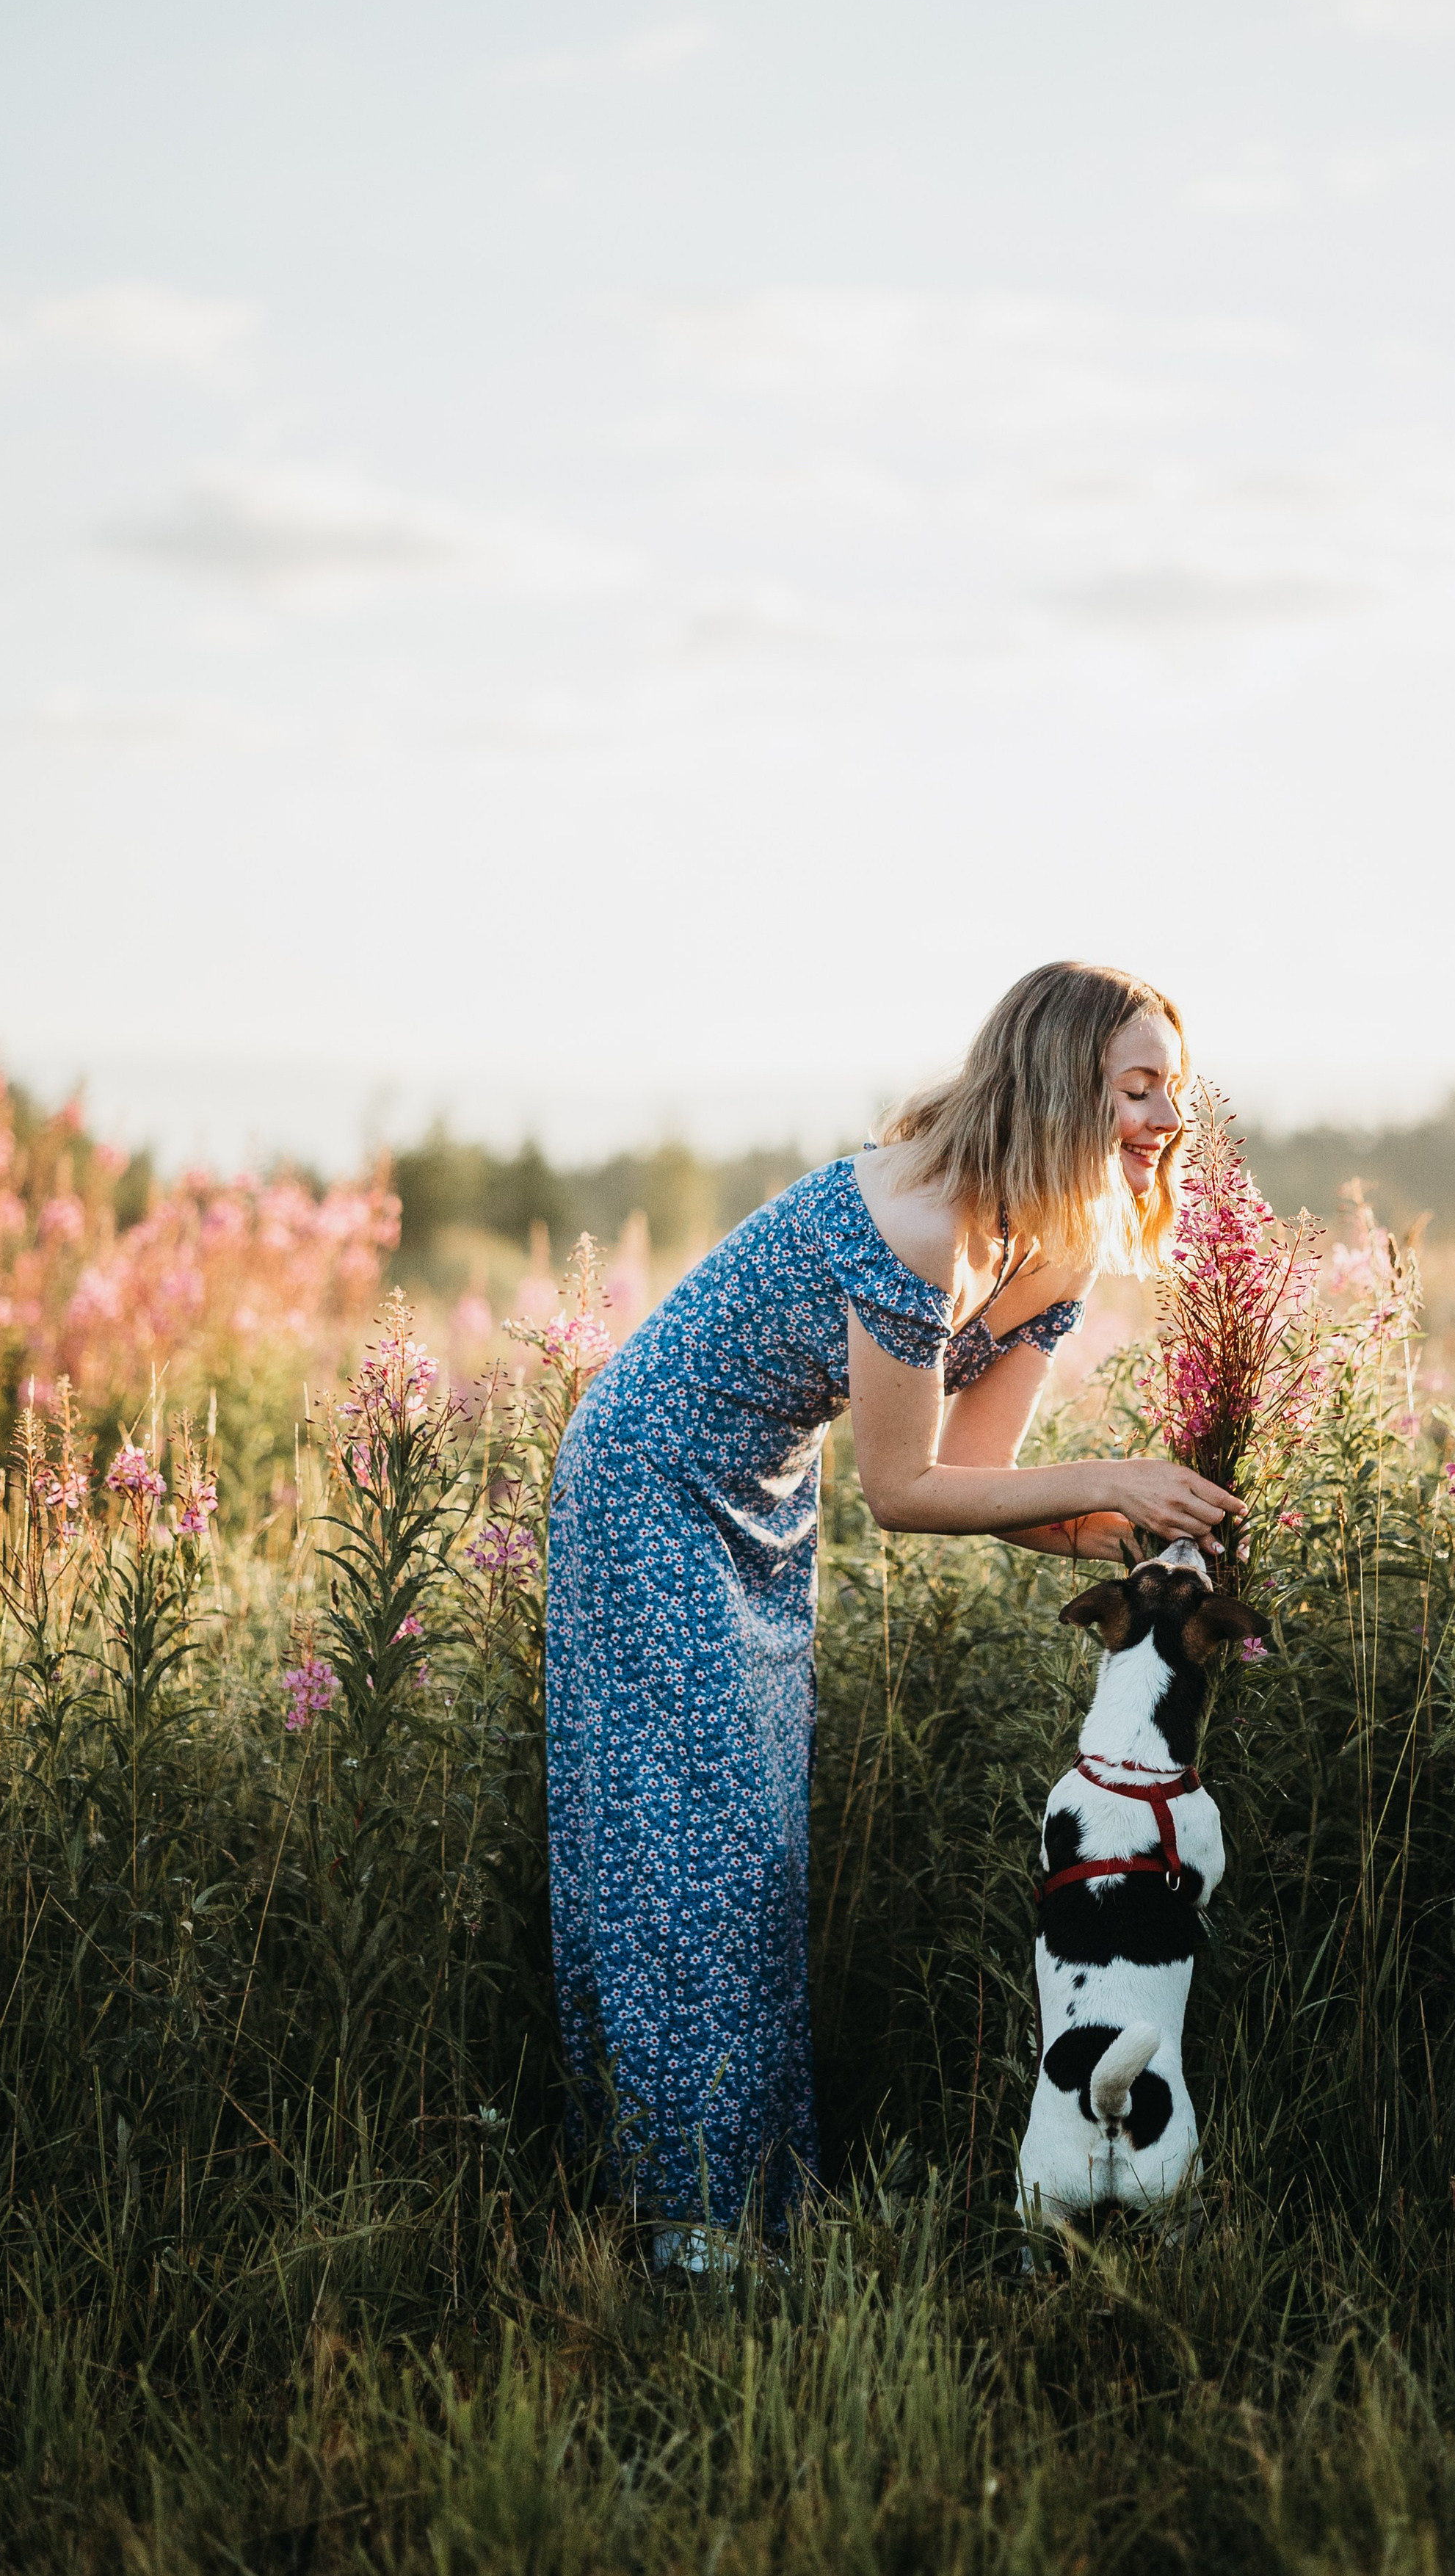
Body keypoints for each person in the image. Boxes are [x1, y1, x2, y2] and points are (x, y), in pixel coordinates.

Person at [544, 961, 1242, 2251]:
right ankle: (685, 2224)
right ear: (1057, 1077)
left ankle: (743, 2204)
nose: (1166, 1119)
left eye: (1175, 1094)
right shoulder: (924, 1224)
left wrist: (1088, 1530)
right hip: (647, 1480)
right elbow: (902, 1491)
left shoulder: (1057, 1242)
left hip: (756, 1495)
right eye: (1138, 1086)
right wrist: (1113, 1472)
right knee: (696, 1855)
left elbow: (972, 1476)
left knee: (756, 1855)